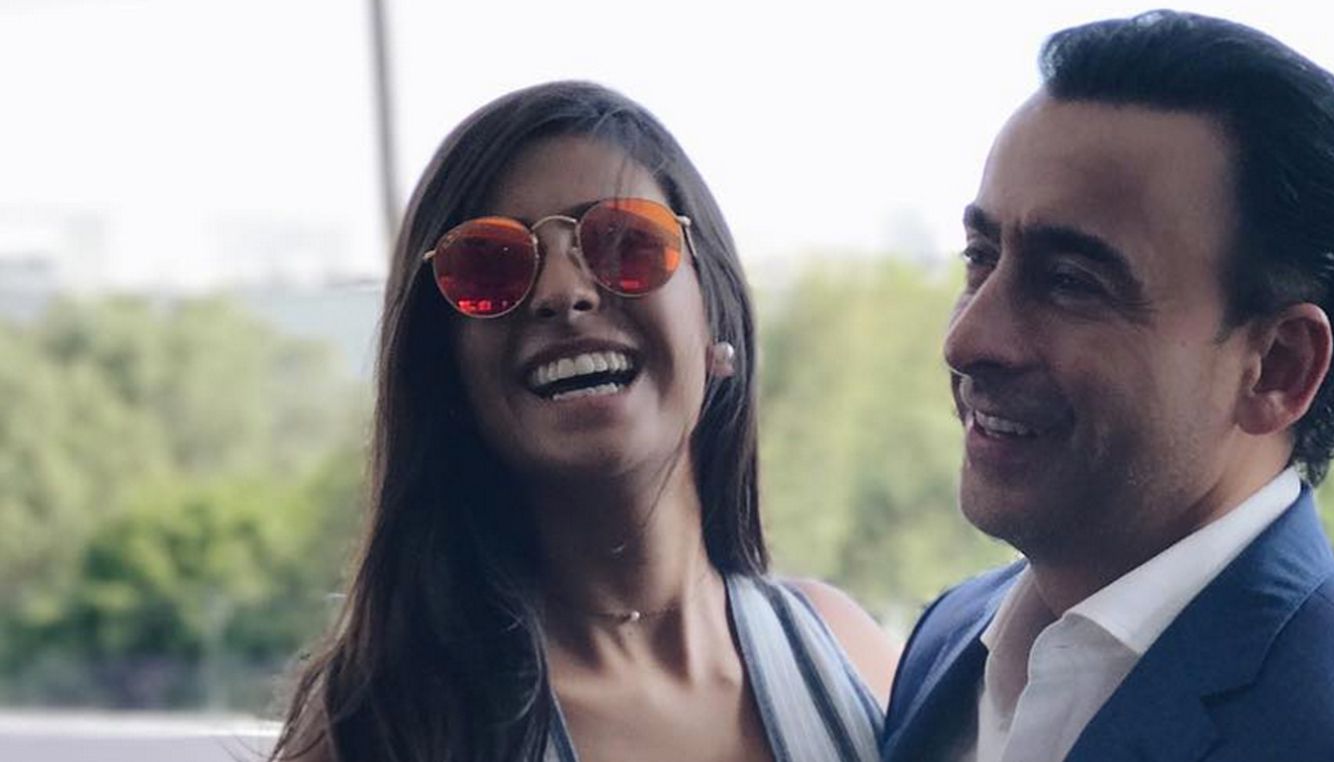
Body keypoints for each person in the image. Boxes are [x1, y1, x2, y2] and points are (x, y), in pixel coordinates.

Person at [882, 11, 1334, 762]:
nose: (968, 341)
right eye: (981, 258)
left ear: (1279, 367)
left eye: (1071, 282)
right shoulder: (951, 639)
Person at [270, 81, 895, 762]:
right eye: (488, 267)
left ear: (714, 312)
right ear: (445, 366)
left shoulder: (850, 661)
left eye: (625, 243)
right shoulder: (384, 732)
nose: (562, 292)